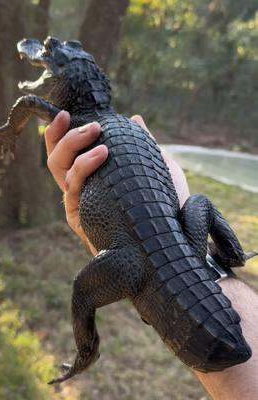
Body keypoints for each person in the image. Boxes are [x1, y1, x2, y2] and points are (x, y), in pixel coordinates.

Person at [45, 110, 258, 400]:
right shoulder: (100, 122)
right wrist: (208, 261)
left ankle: (87, 352)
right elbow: (195, 207)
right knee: (198, 204)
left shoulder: (68, 121)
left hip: (134, 249)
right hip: (168, 235)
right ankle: (232, 255)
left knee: (84, 292)